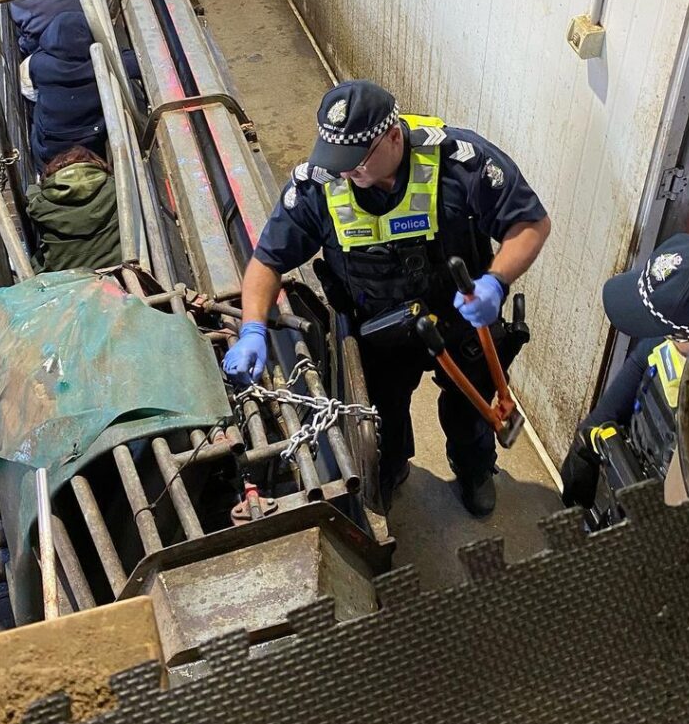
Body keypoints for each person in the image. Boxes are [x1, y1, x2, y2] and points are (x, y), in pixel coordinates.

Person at [222, 79, 551, 516]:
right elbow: (266, 261)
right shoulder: (320, 185)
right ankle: (393, 466)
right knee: (381, 415)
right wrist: (252, 328)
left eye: (356, 161)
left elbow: (530, 224)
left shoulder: (459, 163)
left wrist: (495, 281)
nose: (345, 172)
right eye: (336, 160)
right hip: (379, 329)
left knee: (470, 407)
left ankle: (473, 468)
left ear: (393, 137)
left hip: (460, 320)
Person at [560, 234, 689, 514]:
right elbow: (640, 361)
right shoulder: (678, 344)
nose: (664, 339)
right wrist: (588, 436)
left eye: (671, 332)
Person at [27, 10, 142, 172]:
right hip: (91, 148)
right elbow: (138, 63)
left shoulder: (39, 64)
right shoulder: (101, 67)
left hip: (50, 151)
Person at [25, 146, 122, 273]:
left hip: (63, 275)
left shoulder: (39, 206)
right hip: (116, 268)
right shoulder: (117, 190)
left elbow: (31, 193)